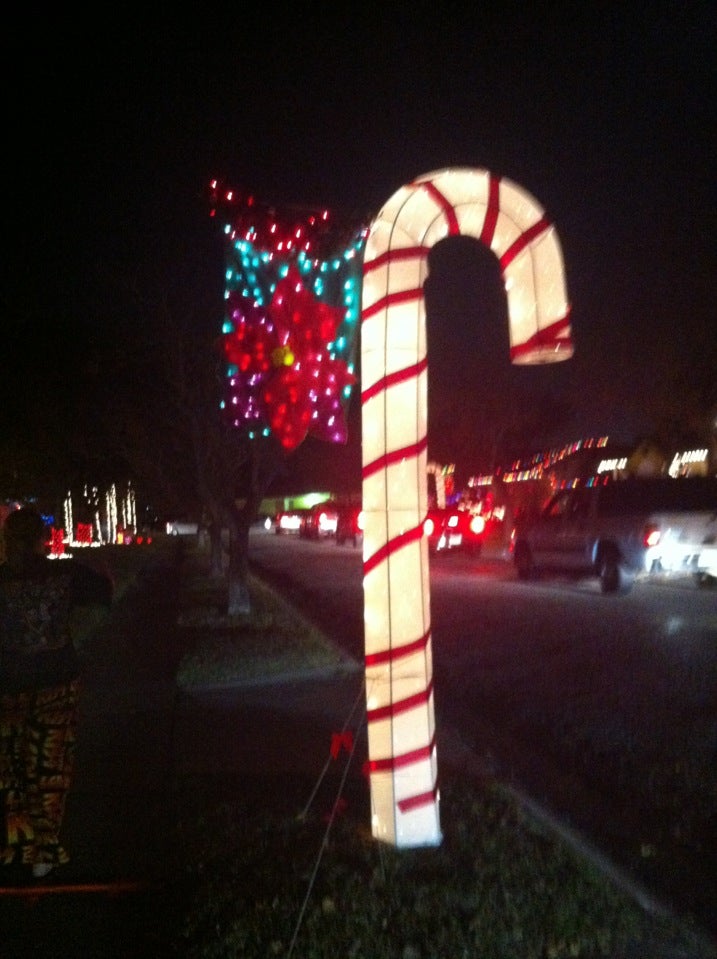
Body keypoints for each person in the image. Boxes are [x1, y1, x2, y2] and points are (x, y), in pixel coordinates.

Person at [0, 507, 112, 879]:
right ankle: (43, 855)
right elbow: (103, 591)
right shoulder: (64, 575)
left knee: (13, 768)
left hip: (7, 687)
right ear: (42, 540)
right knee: (49, 768)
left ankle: (16, 845)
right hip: (56, 684)